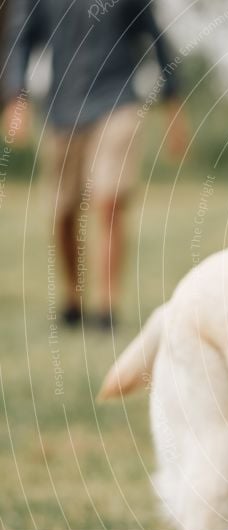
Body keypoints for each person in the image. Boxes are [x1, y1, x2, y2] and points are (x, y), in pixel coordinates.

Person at [2, 0, 188, 329]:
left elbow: (156, 36)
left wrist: (174, 107)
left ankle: (106, 306)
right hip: (62, 109)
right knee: (61, 212)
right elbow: (20, 38)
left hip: (117, 102)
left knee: (110, 199)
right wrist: (16, 96)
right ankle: (73, 297)